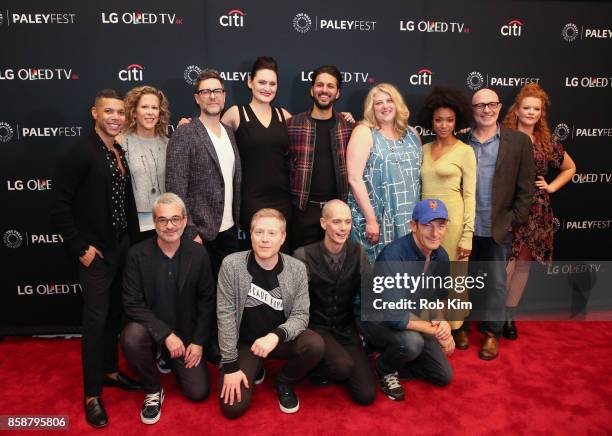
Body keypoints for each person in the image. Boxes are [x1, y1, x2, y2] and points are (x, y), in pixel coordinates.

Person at [50, 89, 141, 428]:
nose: (115, 117)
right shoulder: (80, 153)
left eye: (120, 112)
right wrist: (80, 248)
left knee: (114, 317)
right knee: (95, 323)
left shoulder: (116, 150)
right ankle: (92, 395)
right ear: (94, 113)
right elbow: (59, 207)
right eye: (108, 112)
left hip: (120, 249)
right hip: (96, 255)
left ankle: (110, 371)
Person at [217, 208, 324, 418]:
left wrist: (276, 336)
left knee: (315, 345)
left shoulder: (296, 268)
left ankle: (284, 379)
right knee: (232, 408)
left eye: (272, 233)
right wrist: (230, 366)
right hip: (247, 343)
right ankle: (256, 367)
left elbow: (301, 315)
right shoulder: (231, 265)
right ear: (250, 234)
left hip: (279, 340)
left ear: (283, 237)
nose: (265, 239)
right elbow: (225, 316)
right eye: (259, 232)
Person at [453, 88, 535, 360]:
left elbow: (526, 190)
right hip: (465, 227)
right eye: (480, 106)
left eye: (491, 105)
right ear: (472, 110)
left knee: (497, 283)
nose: (486, 110)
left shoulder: (519, 142)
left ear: (500, 108)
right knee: (462, 281)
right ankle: (461, 326)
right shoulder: (460, 140)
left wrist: (514, 221)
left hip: (499, 227)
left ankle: (491, 334)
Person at [121, 193, 215, 424]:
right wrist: (165, 335)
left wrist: (199, 341)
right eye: (163, 220)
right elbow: (132, 303)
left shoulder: (199, 253)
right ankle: (153, 390)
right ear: (154, 222)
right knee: (131, 336)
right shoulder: (136, 255)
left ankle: (168, 358)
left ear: (184, 220)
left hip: (185, 333)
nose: (170, 225)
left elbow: (207, 300)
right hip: (152, 331)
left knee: (198, 392)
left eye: (175, 219)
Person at [356, 199, 454, 401]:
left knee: (443, 376)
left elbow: (436, 298)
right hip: (376, 317)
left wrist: (442, 322)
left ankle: (383, 350)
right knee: (412, 343)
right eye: (428, 225)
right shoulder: (394, 255)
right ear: (413, 226)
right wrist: (437, 332)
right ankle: (384, 368)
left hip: (411, 318)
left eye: (441, 226)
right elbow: (394, 316)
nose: (435, 233)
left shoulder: (441, 257)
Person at [501, 83, 576, 339]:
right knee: (505, 263)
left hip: (537, 211)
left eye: (536, 109)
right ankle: (495, 313)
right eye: (527, 107)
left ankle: (509, 316)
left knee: (523, 263)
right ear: (517, 110)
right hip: (509, 208)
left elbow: (570, 167)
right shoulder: (502, 135)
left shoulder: (547, 141)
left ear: (541, 112)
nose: (531, 112)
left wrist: (551, 186)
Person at [293, 199, 376, 405]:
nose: (343, 228)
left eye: (347, 222)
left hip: (346, 328)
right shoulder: (302, 256)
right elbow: (293, 306)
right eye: (337, 222)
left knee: (366, 396)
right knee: (342, 367)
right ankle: (317, 365)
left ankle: (333, 363)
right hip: (316, 328)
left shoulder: (359, 253)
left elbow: (372, 295)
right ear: (323, 223)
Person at [165, 68, 241, 275]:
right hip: (201, 235)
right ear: (197, 98)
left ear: (224, 96)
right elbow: (175, 189)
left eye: (217, 91)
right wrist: (190, 232)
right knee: (203, 299)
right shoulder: (185, 133)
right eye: (206, 92)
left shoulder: (229, 132)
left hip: (229, 230)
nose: (212, 96)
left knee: (227, 295)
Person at [418, 87, 477, 331]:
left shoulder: (465, 151)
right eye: (439, 119)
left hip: (452, 223)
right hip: (424, 223)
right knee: (426, 274)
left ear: (457, 121)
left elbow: (471, 195)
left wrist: (467, 235)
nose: (443, 125)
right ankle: (426, 323)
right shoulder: (422, 149)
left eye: (449, 120)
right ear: (431, 120)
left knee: (454, 276)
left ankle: (455, 326)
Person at [221, 57, 292, 251]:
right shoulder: (236, 114)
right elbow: (209, 137)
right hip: (250, 199)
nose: (267, 88)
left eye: (272, 83)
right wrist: (189, 126)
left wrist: (347, 120)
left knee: (281, 258)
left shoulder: (284, 115)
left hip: (283, 200)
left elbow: (311, 133)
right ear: (250, 82)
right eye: (261, 82)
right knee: (253, 257)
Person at [347, 83, 422, 263]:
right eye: (378, 103)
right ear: (371, 108)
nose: (385, 106)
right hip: (377, 219)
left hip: (408, 219)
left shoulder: (412, 133)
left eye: (389, 100)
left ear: (397, 103)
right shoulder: (364, 132)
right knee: (377, 275)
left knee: (406, 276)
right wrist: (371, 220)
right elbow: (355, 179)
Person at [287, 65, 354, 249]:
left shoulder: (348, 127)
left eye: (330, 86)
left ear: (338, 93)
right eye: (320, 85)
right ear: (312, 89)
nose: (324, 90)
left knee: (335, 269)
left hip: (337, 214)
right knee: (301, 267)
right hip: (303, 211)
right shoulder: (293, 124)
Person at [118, 86, 170, 242]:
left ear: (160, 113)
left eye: (154, 108)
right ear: (134, 112)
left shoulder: (169, 143)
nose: (150, 112)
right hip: (133, 225)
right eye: (144, 107)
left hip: (165, 223)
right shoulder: (120, 142)